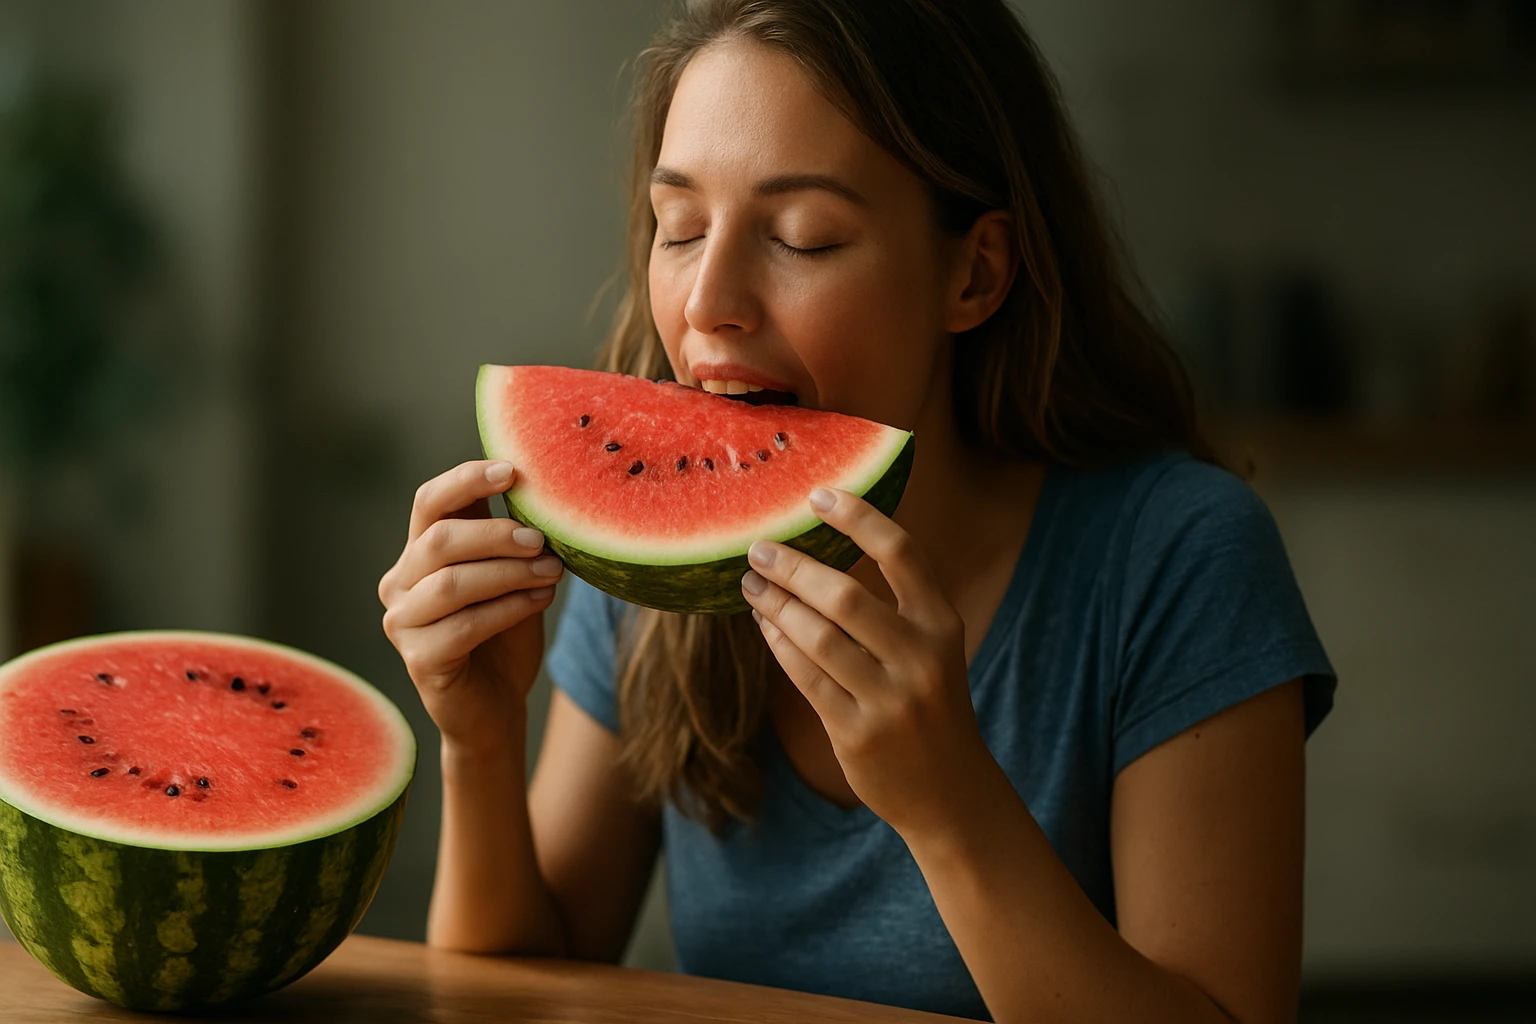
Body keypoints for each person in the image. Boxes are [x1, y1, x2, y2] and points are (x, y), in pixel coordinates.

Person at [377, 2, 1336, 1021]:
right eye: (682, 227)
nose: (708, 302)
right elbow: (522, 983)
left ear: (974, 273)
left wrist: (951, 806)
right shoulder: (656, 562)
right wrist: (480, 739)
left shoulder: (1177, 555)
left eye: (805, 237)